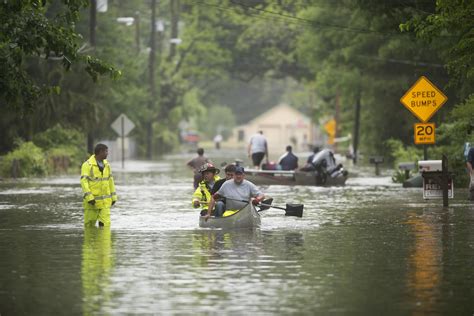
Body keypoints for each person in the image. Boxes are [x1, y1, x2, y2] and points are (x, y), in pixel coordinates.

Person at [80, 143, 118, 228]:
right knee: (89, 226)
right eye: (106, 151)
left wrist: (114, 197)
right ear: (100, 152)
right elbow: (84, 182)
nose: (107, 153)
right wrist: (89, 198)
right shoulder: (87, 165)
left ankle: (104, 241)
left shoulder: (107, 165)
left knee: (105, 226)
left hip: (105, 203)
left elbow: (110, 181)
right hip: (92, 203)